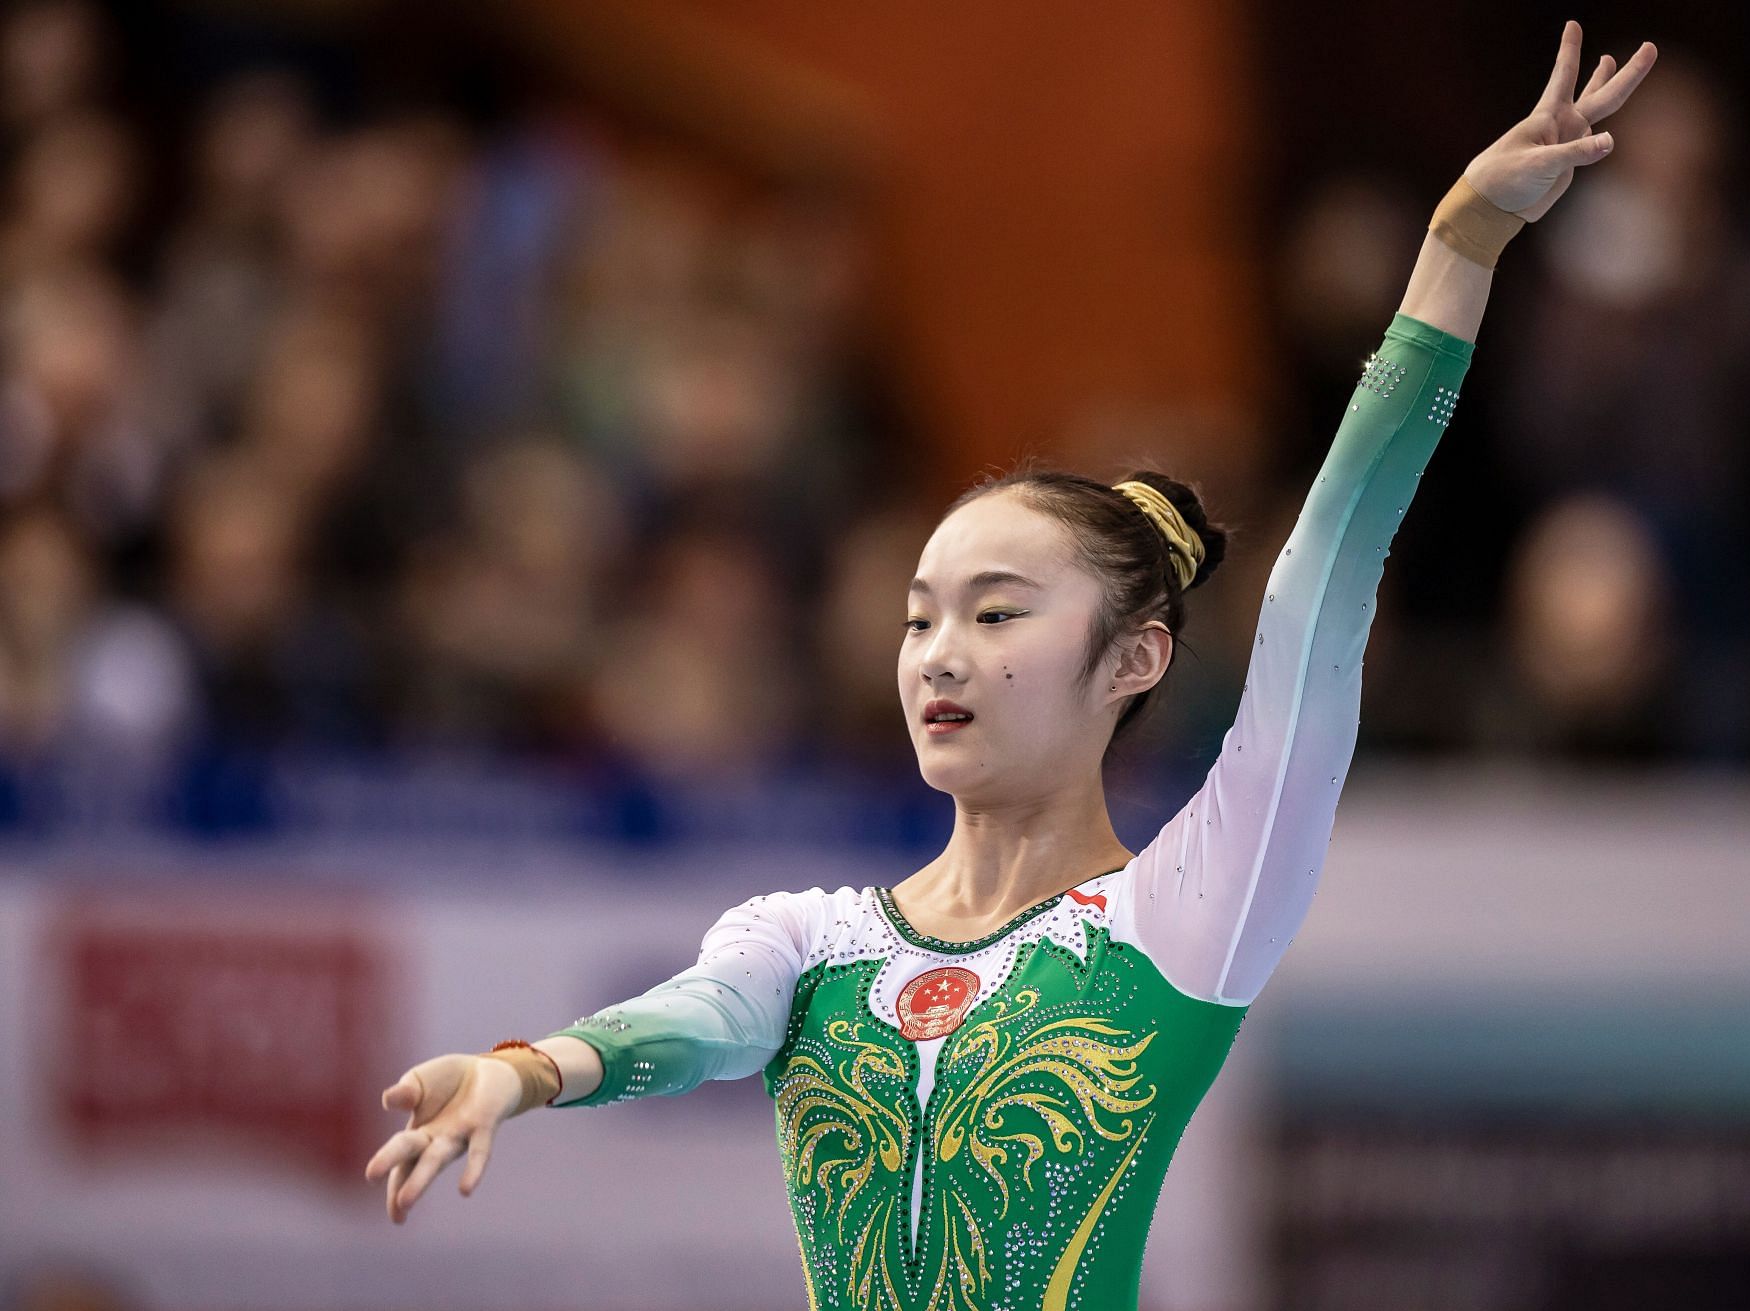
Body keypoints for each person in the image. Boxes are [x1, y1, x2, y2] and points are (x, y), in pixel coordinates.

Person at [366, 21, 1657, 1309]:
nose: (939, 655)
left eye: (996, 616)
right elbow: (685, 1024)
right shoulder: (806, 944)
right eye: (921, 617)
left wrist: (1458, 246)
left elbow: (1334, 559)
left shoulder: (1181, 919)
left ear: (1132, 658)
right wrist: (519, 1074)